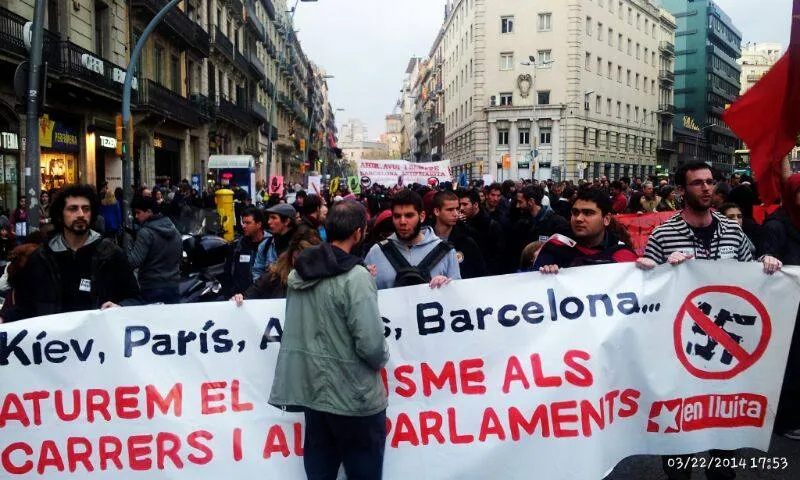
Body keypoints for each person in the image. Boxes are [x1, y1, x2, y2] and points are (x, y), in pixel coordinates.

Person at [636, 162, 782, 480]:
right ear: (682, 190)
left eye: (710, 182)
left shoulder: (732, 231)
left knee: (724, 446)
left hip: (726, 358)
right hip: (680, 355)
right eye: (697, 183)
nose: (706, 188)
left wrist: (765, 264)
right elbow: (647, 288)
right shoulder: (664, 233)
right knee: (679, 451)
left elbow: (750, 274)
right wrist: (657, 266)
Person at [268, 200, 389, 479]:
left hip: (314, 397)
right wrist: (381, 358)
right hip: (354, 397)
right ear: (359, 233)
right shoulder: (355, 277)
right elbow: (371, 345)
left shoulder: (300, 272)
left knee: (319, 470)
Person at [5, 184, 140, 321]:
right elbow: (24, 307)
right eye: (73, 209)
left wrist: (121, 307)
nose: (81, 214)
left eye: (86, 209)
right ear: (60, 214)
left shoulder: (111, 254)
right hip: (53, 340)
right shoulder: (41, 258)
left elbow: (136, 299)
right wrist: (4, 318)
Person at [761, 161, 800, 440]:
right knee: (791, 365)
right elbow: (764, 257)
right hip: (788, 310)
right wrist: (768, 259)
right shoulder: (777, 225)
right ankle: (785, 420)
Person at [364, 189, 460, 290]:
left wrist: (447, 285)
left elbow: (457, 296)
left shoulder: (446, 251)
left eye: (409, 216)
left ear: (422, 216)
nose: (402, 221)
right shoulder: (376, 252)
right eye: (397, 216)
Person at [533, 187, 638, 272]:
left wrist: (649, 270)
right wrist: (545, 275)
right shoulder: (554, 247)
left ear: (606, 219)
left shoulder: (623, 254)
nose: (578, 218)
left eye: (588, 213)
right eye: (575, 212)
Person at [232, 228, 322, 302]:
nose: (301, 265)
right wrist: (240, 298)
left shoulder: (328, 282)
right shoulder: (274, 276)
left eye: (306, 260)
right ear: (290, 256)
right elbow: (252, 293)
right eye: (296, 259)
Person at [126, 196, 182, 304]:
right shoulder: (175, 230)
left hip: (151, 287)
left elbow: (133, 262)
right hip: (173, 286)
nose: (136, 216)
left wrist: (129, 241)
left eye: (138, 212)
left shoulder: (145, 233)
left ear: (149, 212)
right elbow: (179, 257)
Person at [509, 184, 571, 272]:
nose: (517, 206)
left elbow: (566, 254)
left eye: (520, 202)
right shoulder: (521, 223)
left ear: (531, 201)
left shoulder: (558, 223)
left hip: (548, 275)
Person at [430, 190, 486, 279]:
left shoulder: (467, 240)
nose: (456, 214)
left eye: (457, 209)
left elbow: (480, 273)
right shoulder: (424, 239)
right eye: (450, 210)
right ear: (437, 211)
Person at [457, 189, 505, 275]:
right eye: (460, 205)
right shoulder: (462, 222)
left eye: (465, 204)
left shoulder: (491, 225)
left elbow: (498, 255)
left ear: (475, 205)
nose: (461, 208)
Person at [224, 206, 268, 297]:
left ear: (259, 224)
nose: (243, 226)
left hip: (264, 300)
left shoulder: (271, 244)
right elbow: (227, 274)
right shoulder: (237, 247)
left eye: (248, 223)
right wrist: (231, 295)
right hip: (240, 301)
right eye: (243, 222)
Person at [252, 203, 299, 280]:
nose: (269, 222)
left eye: (273, 218)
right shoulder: (265, 245)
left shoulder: (300, 245)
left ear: (287, 221)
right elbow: (257, 272)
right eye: (269, 218)